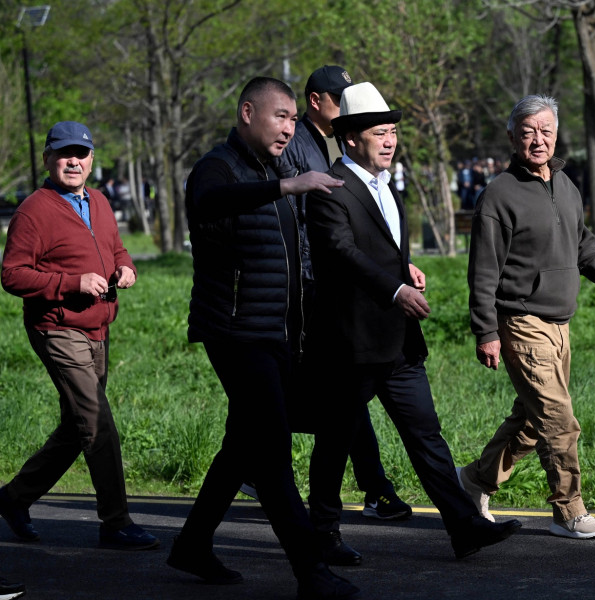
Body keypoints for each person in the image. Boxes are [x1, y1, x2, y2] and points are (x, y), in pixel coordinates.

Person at [305, 82, 522, 560]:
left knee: (427, 436)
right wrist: (395, 287)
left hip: (399, 342)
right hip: (352, 345)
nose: (390, 141)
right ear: (350, 139)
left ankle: (465, 527)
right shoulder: (330, 191)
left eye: (392, 132)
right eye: (380, 133)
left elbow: (380, 248)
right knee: (335, 444)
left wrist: (404, 269)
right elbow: (340, 253)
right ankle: (321, 537)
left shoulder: (387, 188)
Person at [167, 76, 359, 600]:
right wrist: (284, 187)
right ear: (248, 112)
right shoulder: (216, 167)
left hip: (280, 334)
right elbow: (209, 204)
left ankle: (192, 545)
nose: (290, 128)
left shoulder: (282, 167)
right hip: (235, 332)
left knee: (242, 445)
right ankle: (309, 571)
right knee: (272, 451)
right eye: (281, 117)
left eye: (295, 119)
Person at [458, 95, 595, 540]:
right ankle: (569, 509)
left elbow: (583, 246)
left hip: (560, 325)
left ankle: (473, 481)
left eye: (546, 131)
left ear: (556, 135)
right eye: (528, 131)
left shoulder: (565, 184)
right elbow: (482, 272)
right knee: (559, 420)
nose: (537, 140)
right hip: (521, 322)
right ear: (512, 137)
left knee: (530, 421)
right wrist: (486, 331)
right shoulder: (498, 196)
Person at [0, 121, 158, 552]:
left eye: (81, 153)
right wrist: (70, 283)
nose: (74, 160)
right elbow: (11, 274)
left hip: (98, 329)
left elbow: (117, 248)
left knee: (77, 426)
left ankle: (14, 498)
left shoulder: (101, 202)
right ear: (48, 159)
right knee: (99, 426)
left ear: (91, 160)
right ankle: (116, 523)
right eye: (64, 153)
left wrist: (126, 267)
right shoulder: (35, 209)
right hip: (57, 327)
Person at [282, 64, 412, 529]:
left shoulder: (327, 146)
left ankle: (374, 488)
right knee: (331, 412)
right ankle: (328, 506)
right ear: (316, 101)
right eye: (340, 98)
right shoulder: (299, 145)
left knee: (343, 408)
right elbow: (311, 225)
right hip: (315, 291)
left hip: (338, 292)